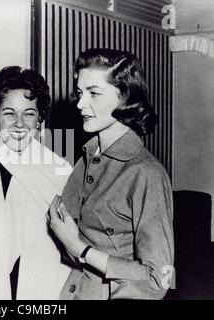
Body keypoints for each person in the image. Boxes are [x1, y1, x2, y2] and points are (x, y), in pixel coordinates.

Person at [48, 49, 174, 300]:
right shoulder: (85, 161)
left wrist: (79, 249)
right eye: (80, 93)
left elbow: (159, 278)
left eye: (94, 93)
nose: (81, 104)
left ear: (124, 97)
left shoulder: (145, 172)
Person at [0, 66, 72, 300]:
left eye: (29, 114)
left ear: (40, 119)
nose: (19, 123)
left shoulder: (60, 171)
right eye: (9, 113)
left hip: (41, 286)